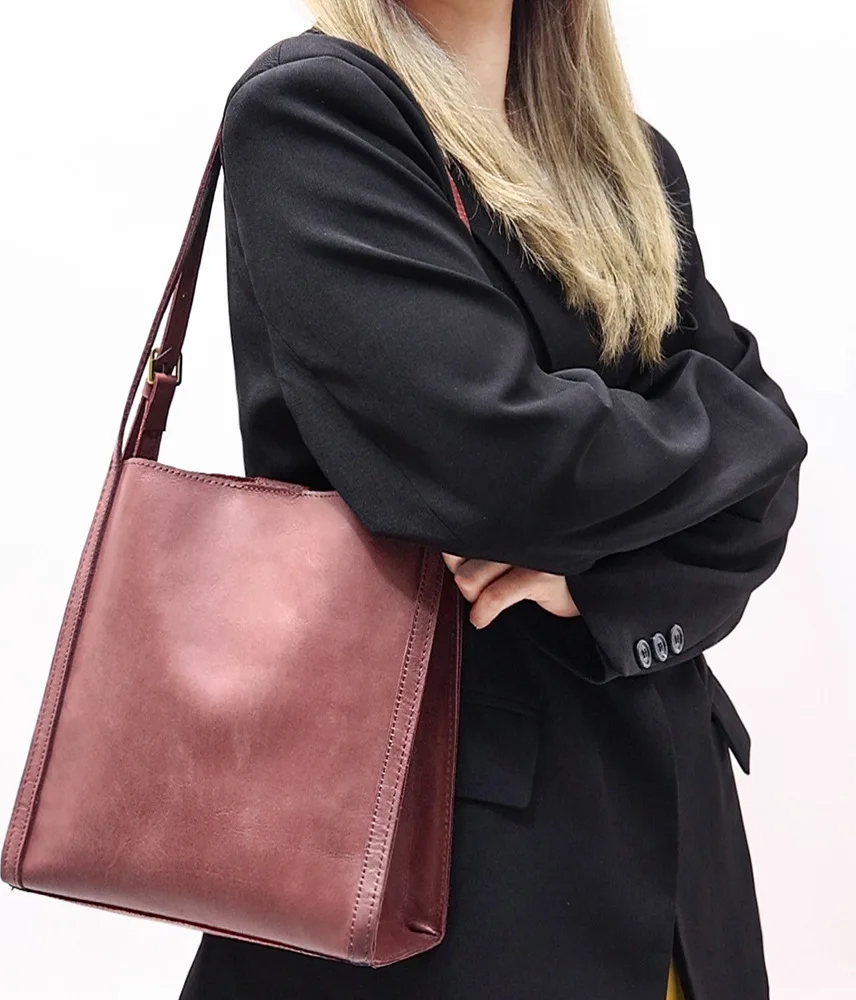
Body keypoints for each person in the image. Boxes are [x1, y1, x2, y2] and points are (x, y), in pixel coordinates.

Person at [178, 2, 808, 998]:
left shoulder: (629, 160)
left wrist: (601, 584)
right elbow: (503, 462)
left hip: (682, 878)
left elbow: (763, 489)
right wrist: (727, 436)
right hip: (449, 889)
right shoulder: (318, 112)